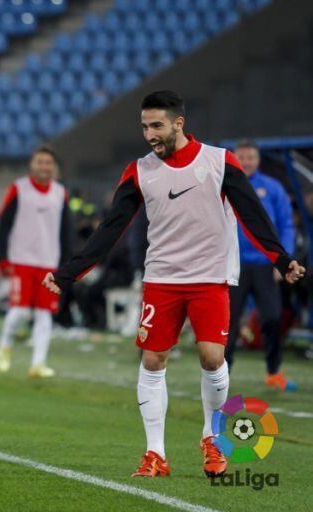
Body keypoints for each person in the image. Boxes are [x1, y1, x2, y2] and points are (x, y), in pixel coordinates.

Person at [42, 90, 305, 479]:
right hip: (162, 278)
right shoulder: (139, 170)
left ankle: (211, 440)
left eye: (157, 126)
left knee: (213, 358)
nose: (149, 133)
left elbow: (251, 212)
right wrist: (69, 273)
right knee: (152, 360)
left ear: (178, 124)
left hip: (210, 277)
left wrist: (280, 259)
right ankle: (155, 454)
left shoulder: (219, 161)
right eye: (145, 126)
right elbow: (111, 228)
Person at [225, 140, 297, 391]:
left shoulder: (272, 188)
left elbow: (287, 225)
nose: (245, 162)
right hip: (232, 266)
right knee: (228, 322)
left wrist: (282, 261)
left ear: (258, 160)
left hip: (266, 266)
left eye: (250, 158)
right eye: (241, 157)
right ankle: (222, 373)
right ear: (234, 158)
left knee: (273, 318)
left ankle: (274, 372)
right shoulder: (224, 185)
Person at [0, 146, 70, 377]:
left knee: (45, 314)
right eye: (40, 162)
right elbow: (3, 225)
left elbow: (67, 232)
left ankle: (38, 363)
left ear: (54, 167)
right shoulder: (19, 189)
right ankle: (4, 346)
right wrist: (2, 257)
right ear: (32, 165)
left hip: (49, 262)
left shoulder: (60, 193)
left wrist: (67, 264)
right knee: (20, 312)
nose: (44, 167)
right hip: (21, 259)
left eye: (48, 163)